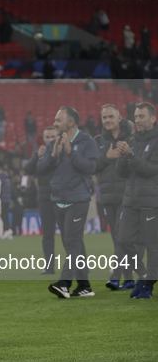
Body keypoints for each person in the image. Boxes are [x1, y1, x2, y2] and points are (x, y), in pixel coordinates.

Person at [38, 107, 99, 299]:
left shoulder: (88, 142)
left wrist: (71, 152)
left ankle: (64, 283)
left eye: (58, 120)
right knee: (72, 243)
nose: (55, 123)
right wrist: (54, 154)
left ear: (71, 122)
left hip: (78, 199)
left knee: (72, 242)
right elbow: (40, 168)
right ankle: (85, 286)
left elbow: (90, 168)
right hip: (58, 199)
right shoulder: (54, 143)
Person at [116, 102, 158, 298]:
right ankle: (142, 274)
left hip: (151, 201)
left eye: (142, 116)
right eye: (136, 117)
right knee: (123, 239)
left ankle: (148, 286)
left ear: (153, 118)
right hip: (130, 200)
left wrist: (130, 156)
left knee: (152, 246)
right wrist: (123, 158)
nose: (138, 120)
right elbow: (121, 173)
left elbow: (151, 170)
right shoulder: (132, 139)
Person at [94, 104, 135, 290]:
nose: (108, 120)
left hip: (128, 195)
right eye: (105, 118)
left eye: (111, 116)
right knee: (116, 237)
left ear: (119, 118)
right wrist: (107, 157)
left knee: (121, 236)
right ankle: (129, 278)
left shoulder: (132, 138)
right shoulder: (97, 141)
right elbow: (91, 167)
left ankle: (115, 275)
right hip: (108, 197)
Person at [24, 126, 59, 274]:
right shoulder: (39, 153)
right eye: (47, 137)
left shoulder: (64, 151)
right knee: (47, 235)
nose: (50, 139)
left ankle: (81, 265)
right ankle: (49, 267)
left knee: (70, 234)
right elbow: (28, 170)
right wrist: (36, 157)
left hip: (63, 196)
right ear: (43, 139)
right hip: (45, 198)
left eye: (53, 137)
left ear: (58, 137)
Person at [0, 167, 13, 239]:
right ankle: (8, 232)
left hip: (2, 199)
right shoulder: (7, 178)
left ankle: (6, 230)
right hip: (7, 199)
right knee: (6, 215)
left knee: (3, 216)